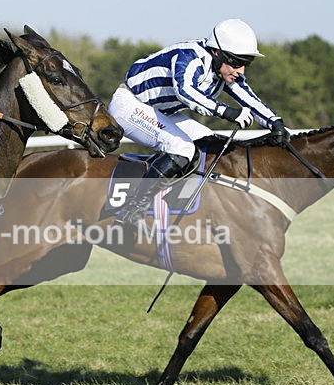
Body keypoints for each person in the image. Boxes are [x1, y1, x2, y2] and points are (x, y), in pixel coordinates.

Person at [108, 18, 290, 228]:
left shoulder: (224, 71)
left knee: (210, 141)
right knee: (182, 148)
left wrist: (275, 123)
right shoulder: (189, 56)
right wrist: (227, 112)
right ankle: (133, 210)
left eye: (246, 64)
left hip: (162, 111)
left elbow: (248, 97)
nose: (241, 71)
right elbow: (186, 92)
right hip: (129, 104)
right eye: (238, 63)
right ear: (218, 53)